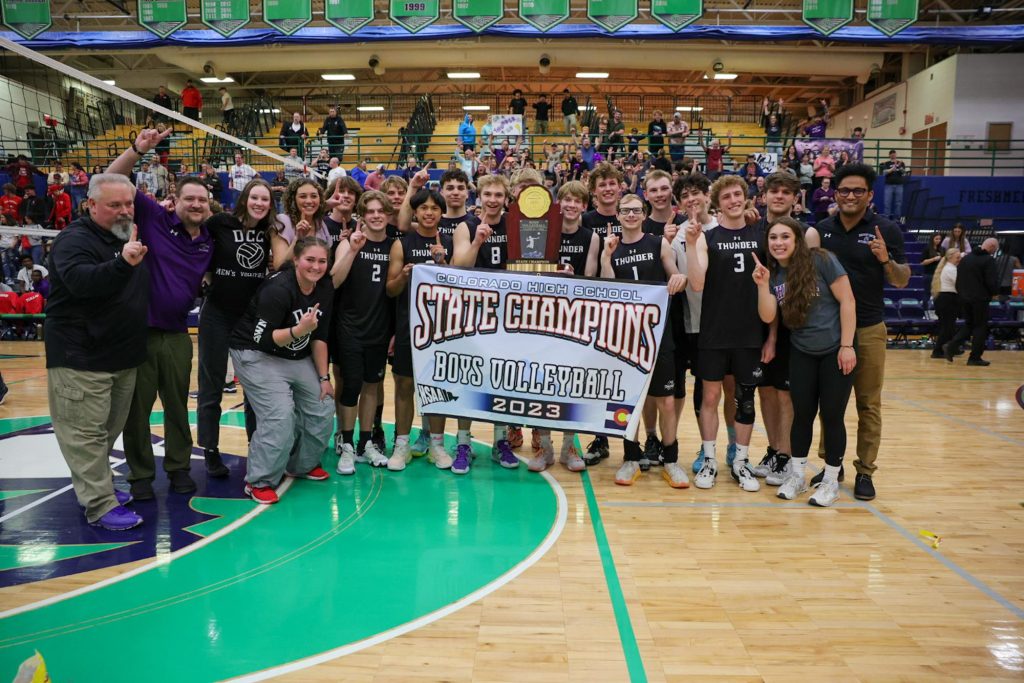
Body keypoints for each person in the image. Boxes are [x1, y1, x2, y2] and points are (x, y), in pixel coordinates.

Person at [108, 129, 215, 500]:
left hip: (177, 334)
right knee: (136, 411)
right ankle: (139, 476)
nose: (197, 204)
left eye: (202, 199)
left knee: (176, 406)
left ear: (209, 204)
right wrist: (138, 149)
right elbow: (112, 179)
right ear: (175, 200)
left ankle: (179, 468)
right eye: (190, 198)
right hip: (138, 332)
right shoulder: (154, 218)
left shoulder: (210, 241)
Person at [45, 172, 149, 530]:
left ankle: (97, 488)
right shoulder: (73, 240)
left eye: (128, 204)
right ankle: (100, 505)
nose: (124, 211)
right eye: (114, 205)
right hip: (81, 358)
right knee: (85, 435)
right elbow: (81, 282)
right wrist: (123, 263)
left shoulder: (123, 234)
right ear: (90, 205)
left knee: (105, 432)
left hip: (121, 356)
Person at [815, 163, 910, 501]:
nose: (850, 196)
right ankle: (831, 464)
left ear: (870, 195)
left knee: (868, 403)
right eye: (844, 190)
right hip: (830, 329)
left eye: (858, 191)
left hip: (868, 328)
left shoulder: (886, 230)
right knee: (831, 403)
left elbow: (901, 279)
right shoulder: (823, 229)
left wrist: (886, 260)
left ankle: (865, 471)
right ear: (835, 193)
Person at [752, 218, 857, 507]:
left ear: (797, 239)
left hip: (836, 350)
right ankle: (797, 476)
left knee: (832, 417)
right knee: (803, 415)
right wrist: (762, 286)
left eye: (785, 236)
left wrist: (847, 346)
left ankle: (830, 482)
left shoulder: (822, 260)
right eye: (773, 238)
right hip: (802, 351)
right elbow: (767, 315)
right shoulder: (774, 275)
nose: (778, 242)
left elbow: (848, 301)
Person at [229, 237, 335, 504]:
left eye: (322, 261)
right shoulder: (278, 289)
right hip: (255, 353)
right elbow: (261, 339)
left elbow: (320, 336)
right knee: (280, 415)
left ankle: (300, 465)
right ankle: (259, 481)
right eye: (310, 260)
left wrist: (324, 378)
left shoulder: (323, 286)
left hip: (294, 355)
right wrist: (300, 330)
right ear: (296, 260)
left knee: (323, 404)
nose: (316, 266)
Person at [685, 175, 769, 493]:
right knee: (710, 397)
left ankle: (741, 461)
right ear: (718, 204)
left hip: (750, 332)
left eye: (737, 195)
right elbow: (696, 283)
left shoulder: (760, 235)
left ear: (745, 199)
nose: (733, 200)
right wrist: (692, 245)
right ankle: (709, 459)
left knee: (745, 398)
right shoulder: (709, 237)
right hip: (714, 332)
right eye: (726, 197)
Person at [601, 194, 689, 488]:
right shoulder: (612, 248)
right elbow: (607, 288)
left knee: (665, 401)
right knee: (628, 402)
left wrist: (678, 278)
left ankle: (672, 460)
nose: (630, 215)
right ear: (618, 215)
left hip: (658, 335)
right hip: (625, 338)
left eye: (636, 210)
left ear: (643, 213)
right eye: (625, 210)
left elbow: (674, 273)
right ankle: (630, 458)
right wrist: (605, 256)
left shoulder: (657, 243)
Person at [196, 178, 275, 476]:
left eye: (264, 200)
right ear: (245, 199)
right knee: (211, 384)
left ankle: (256, 447)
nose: (259, 203)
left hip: (250, 317)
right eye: (254, 197)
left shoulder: (270, 231)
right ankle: (211, 451)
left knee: (254, 387)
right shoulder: (220, 223)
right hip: (217, 313)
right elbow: (196, 244)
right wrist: (204, 274)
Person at [385, 189, 452, 471]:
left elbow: (459, 289)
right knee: (404, 385)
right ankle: (402, 445)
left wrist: (442, 263)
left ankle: (436, 445)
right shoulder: (402, 244)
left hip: (441, 328)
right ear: (414, 212)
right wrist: (403, 275)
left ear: (440, 213)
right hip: (408, 325)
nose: (428, 212)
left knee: (437, 386)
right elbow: (390, 290)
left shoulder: (448, 242)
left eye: (434, 208)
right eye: (423, 208)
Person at [330, 191, 395, 473]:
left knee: (372, 385)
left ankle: (365, 443)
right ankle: (345, 443)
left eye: (381, 211)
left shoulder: (395, 246)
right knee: (351, 386)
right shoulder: (349, 243)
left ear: (388, 215)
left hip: (379, 329)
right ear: (362, 215)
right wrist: (354, 249)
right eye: (370, 211)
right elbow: (333, 280)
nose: (376, 215)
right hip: (349, 328)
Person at [943, 238, 999, 366]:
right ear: (991, 247)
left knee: (969, 324)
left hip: (964, 298)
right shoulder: (988, 260)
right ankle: (974, 357)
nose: (994, 252)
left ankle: (951, 346)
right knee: (980, 327)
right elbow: (991, 281)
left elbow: (959, 280)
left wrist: (962, 294)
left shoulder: (966, 259)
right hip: (980, 299)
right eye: (994, 249)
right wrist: (994, 292)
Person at [272, 178, 330, 270]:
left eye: (314, 196)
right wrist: (297, 239)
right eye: (303, 196)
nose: (309, 201)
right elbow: (279, 266)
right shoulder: (282, 222)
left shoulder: (321, 225)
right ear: (293, 200)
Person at [930, 248, 962, 359]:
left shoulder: (947, 267)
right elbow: (959, 284)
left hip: (943, 298)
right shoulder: (951, 269)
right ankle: (937, 351)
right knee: (947, 327)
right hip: (948, 299)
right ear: (950, 257)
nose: (959, 259)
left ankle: (952, 348)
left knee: (948, 326)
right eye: (957, 257)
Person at [879, 149, 907, 219]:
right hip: (889, 185)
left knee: (898, 203)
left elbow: (904, 172)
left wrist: (899, 167)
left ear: (896, 154)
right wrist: (893, 168)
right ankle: (886, 219)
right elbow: (884, 172)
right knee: (887, 203)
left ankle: (897, 219)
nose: (893, 154)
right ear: (889, 155)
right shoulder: (886, 163)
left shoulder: (901, 163)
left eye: (894, 153)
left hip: (899, 185)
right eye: (891, 153)